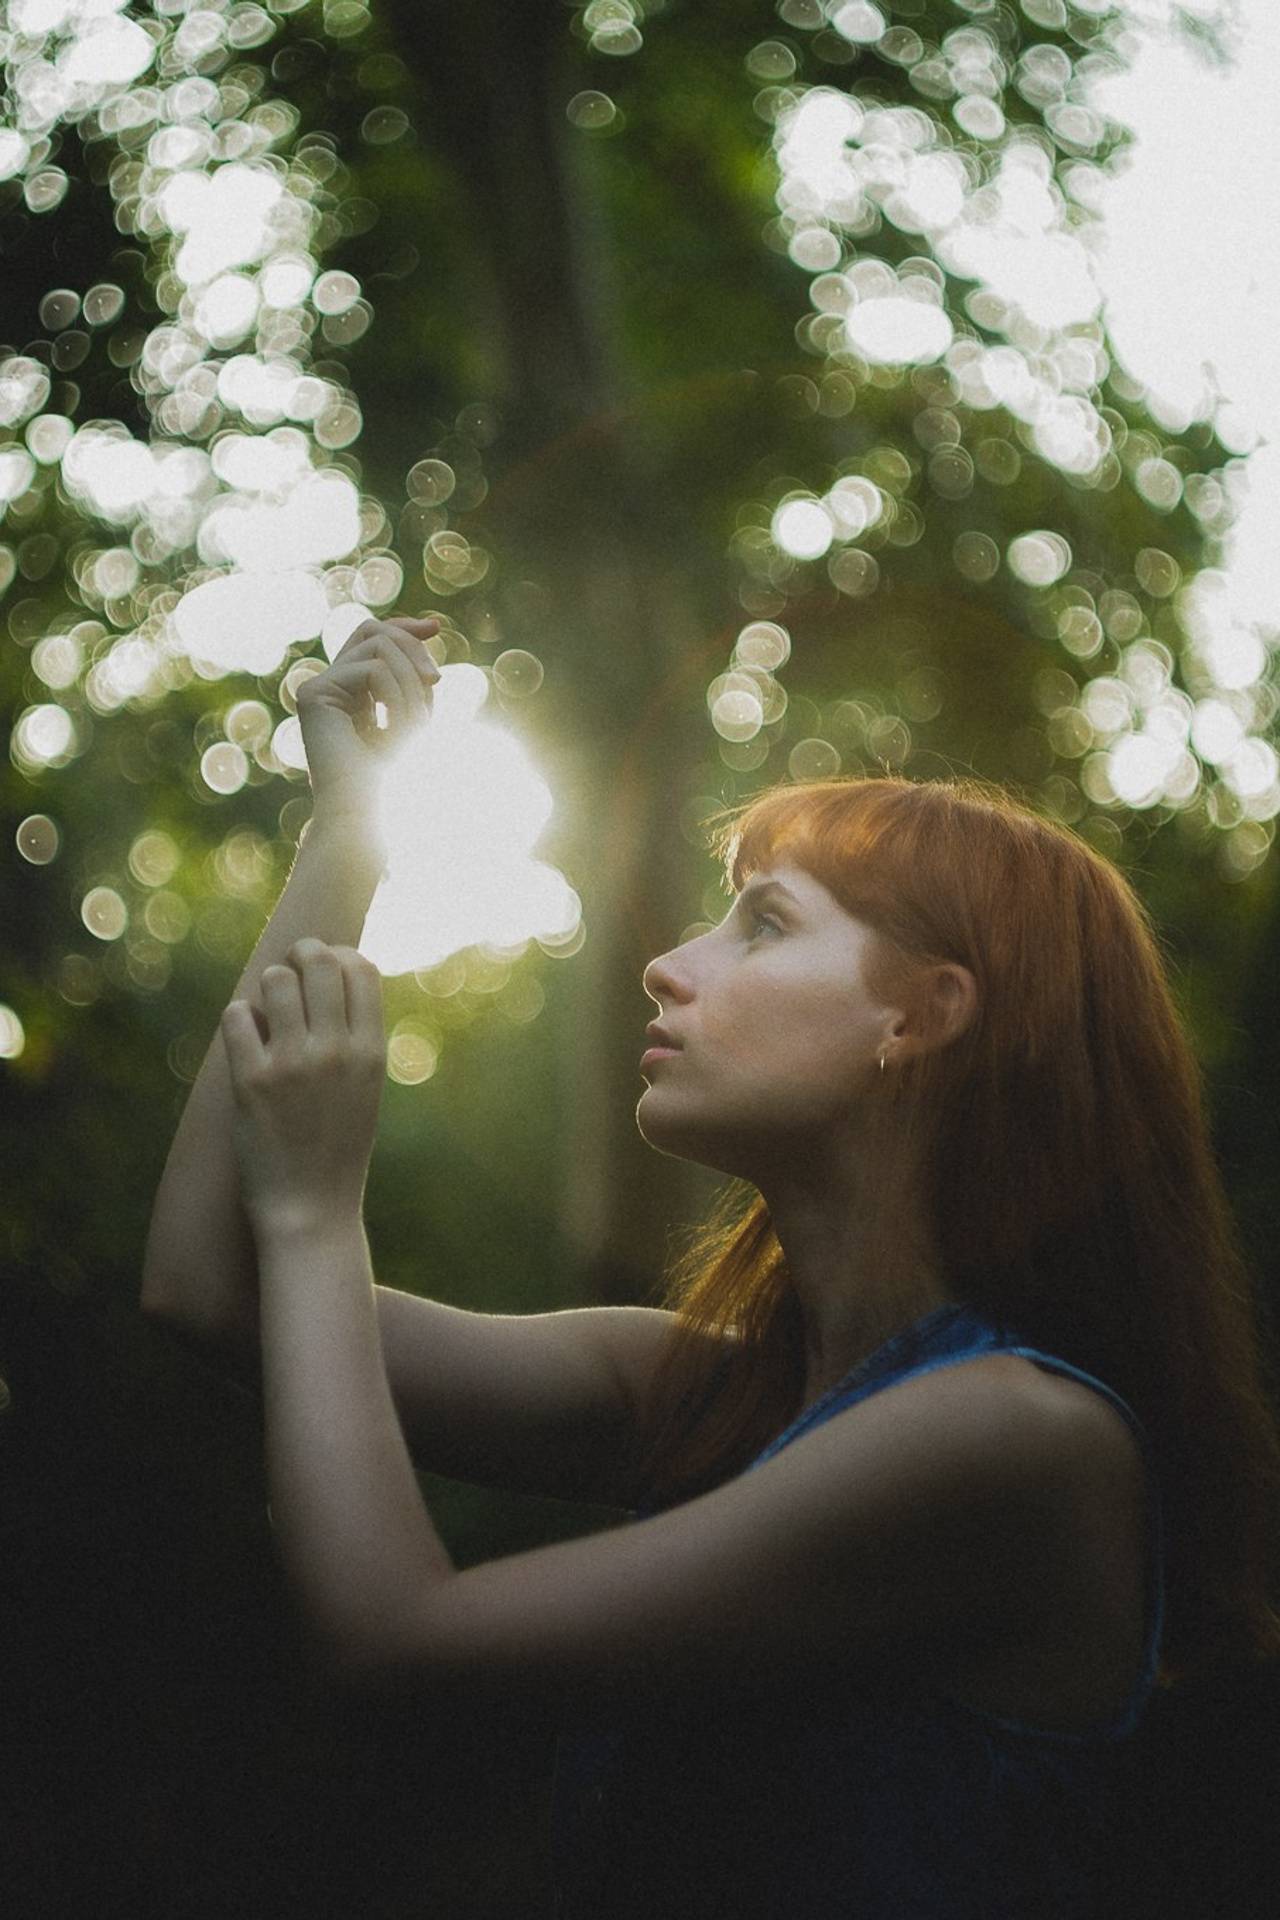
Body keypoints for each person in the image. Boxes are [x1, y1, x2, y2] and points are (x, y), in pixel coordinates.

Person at [142, 616, 1280, 1918]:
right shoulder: (700, 1390)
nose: (668, 965)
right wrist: (347, 837)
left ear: (921, 1015)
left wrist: (314, 1212)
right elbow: (205, 1290)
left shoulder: (1021, 1438)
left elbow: (392, 1644)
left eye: (764, 924)